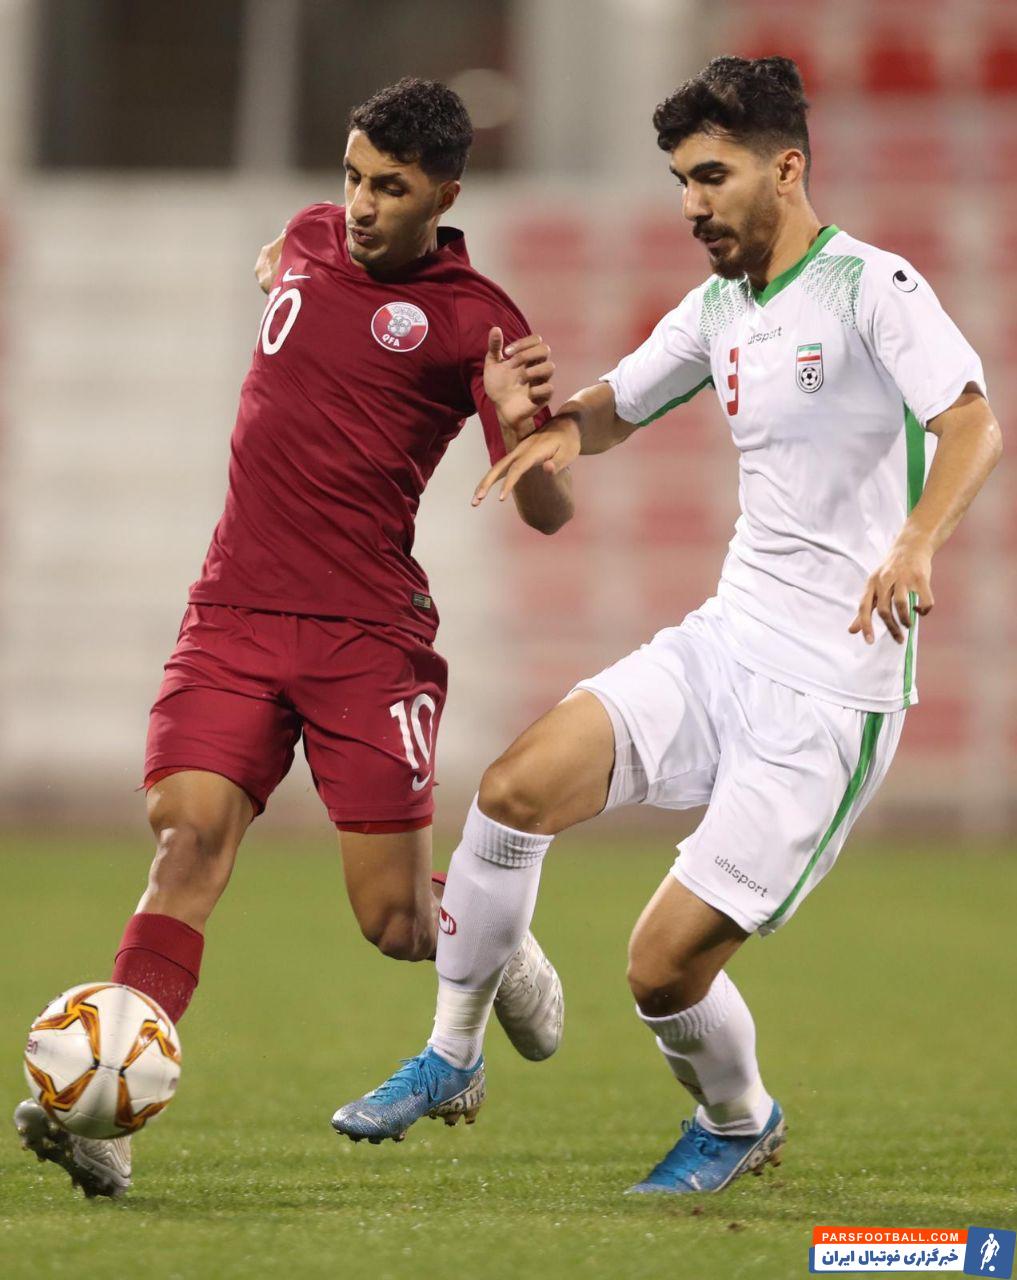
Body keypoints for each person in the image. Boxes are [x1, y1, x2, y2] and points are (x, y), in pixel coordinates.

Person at [331, 57, 1002, 1196]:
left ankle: (738, 1119)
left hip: (830, 691)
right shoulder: (717, 308)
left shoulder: (872, 288)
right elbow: (614, 407)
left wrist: (916, 540)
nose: (690, 204)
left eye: (710, 177)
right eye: (681, 181)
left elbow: (973, 421)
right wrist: (547, 426)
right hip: (725, 641)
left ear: (785, 169)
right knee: (512, 790)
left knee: (659, 969)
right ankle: (452, 1056)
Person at [15, 78, 572, 1198]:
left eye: (391, 188)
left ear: (446, 197)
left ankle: (494, 934)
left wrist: (522, 429)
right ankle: (108, 1113)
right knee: (186, 840)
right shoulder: (313, 235)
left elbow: (551, 511)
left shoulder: (480, 320)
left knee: (395, 921)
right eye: (353, 177)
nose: (360, 204)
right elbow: (295, 269)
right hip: (232, 611)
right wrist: (282, 261)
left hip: (365, 633)